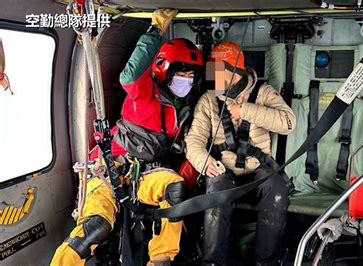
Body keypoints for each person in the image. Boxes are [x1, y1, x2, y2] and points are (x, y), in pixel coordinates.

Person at [51, 9, 204, 266]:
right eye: (181, 74)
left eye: (191, 76)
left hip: (144, 177)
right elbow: (130, 75)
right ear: (164, 69)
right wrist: (155, 31)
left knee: (175, 186)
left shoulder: (181, 111)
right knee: (95, 227)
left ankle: (161, 260)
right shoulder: (144, 92)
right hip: (109, 172)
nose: (186, 81)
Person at [185, 42, 297, 265]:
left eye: (218, 69)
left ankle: (266, 262)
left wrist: (246, 110)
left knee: (276, 190)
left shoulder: (263, 93)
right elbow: (193, 141)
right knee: (216, 189)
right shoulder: (209, 100)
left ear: (235, 71)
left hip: (258, 170)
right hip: (224, 170)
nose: (213, 75)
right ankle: (213, 262)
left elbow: (288, 122)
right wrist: (206, 163)